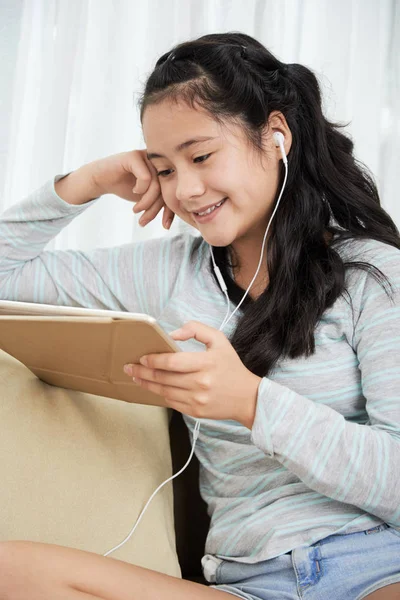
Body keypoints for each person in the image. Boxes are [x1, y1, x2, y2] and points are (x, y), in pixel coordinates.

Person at [0, 30, 399, 600]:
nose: (185, 189)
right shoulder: (166, 274)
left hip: (376, 569)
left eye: (202, 156)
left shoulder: (373, 275)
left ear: (276, 137)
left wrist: (251, 403)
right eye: (164, 169)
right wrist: (84, 184)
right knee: (10, 570)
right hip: (248, 587)